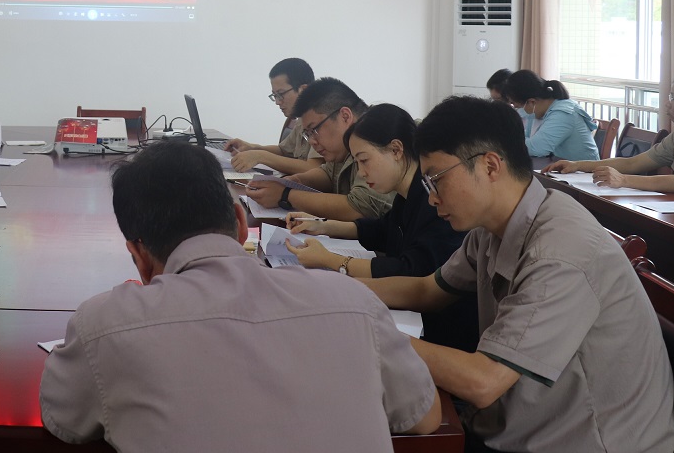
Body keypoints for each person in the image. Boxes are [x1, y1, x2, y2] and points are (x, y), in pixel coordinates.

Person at [39, 140, 440, 451]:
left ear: (137, 256)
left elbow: (64, 420)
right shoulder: (352, 302)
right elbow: (425, 417)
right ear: (240, 223)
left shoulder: (106, 325)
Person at [364, 96, 674, 453]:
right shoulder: (493, 228)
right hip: (519, 423)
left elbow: (483, 381)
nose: (432, 198)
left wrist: (371, 336)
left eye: (436, 180)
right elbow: (427, 291)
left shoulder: (560, 250)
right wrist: (341, 292)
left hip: (585, 442)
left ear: (490, 166)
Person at [283, 103, 478, 351]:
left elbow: (412, 271)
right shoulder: (407, 194)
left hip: (442, 335)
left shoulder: (434, 200)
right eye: (357, 163)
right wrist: (322, 226)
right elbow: (382, 230)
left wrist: (331, 260)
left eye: (364, 161)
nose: (362, 173)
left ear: (396, 149)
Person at [245, 78, 394, 221]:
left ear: (345, 116)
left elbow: (360, 208)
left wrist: (285, 195)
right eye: (307, 134)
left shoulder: (377, 134)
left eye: (314, 130)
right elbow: (329, 173)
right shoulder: (345, 144)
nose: (311, 141)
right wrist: (294, 181)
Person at [546, 70, 674, 196]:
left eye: (672, 97)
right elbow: (632, 163)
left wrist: (624, 180)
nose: (667, 103)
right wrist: (578, 165)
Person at [222, 57, 322, 174]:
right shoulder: (302, 117)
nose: (277, 102)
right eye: (275, 95)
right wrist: (253, 148)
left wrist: (261, 156)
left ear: (303, 90)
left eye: (281, 94)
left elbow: (314, 168)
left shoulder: (322, 118)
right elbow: (284, 150)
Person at [503, 69, 599, 162]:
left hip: (584, 171)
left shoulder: (563, 114)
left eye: (517, 106)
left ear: (531, 102)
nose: (518, 110)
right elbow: (524, 136)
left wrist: (505, 141)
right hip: (559, 165)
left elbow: (536, 148)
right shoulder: (540, 110)